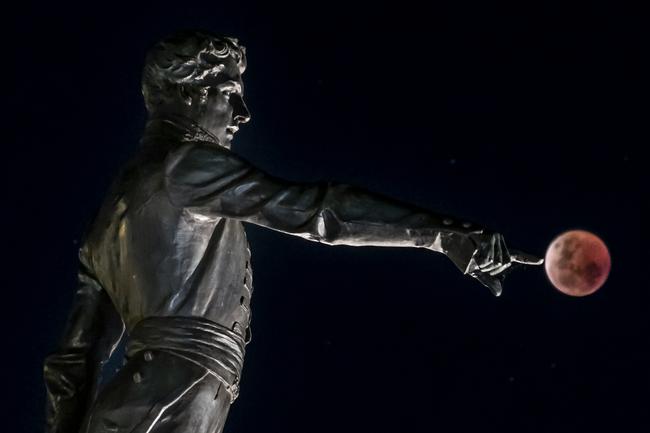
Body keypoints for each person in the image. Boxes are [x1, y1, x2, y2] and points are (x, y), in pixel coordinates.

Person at [43, 30, 542, 433]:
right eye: (229, 95)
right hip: (165, 404)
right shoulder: (186, 166)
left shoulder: (109, 215)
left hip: (151, 405)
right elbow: (318, 212)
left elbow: (73, 359)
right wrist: (443, 234)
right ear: (189, 93)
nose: (242, 114)